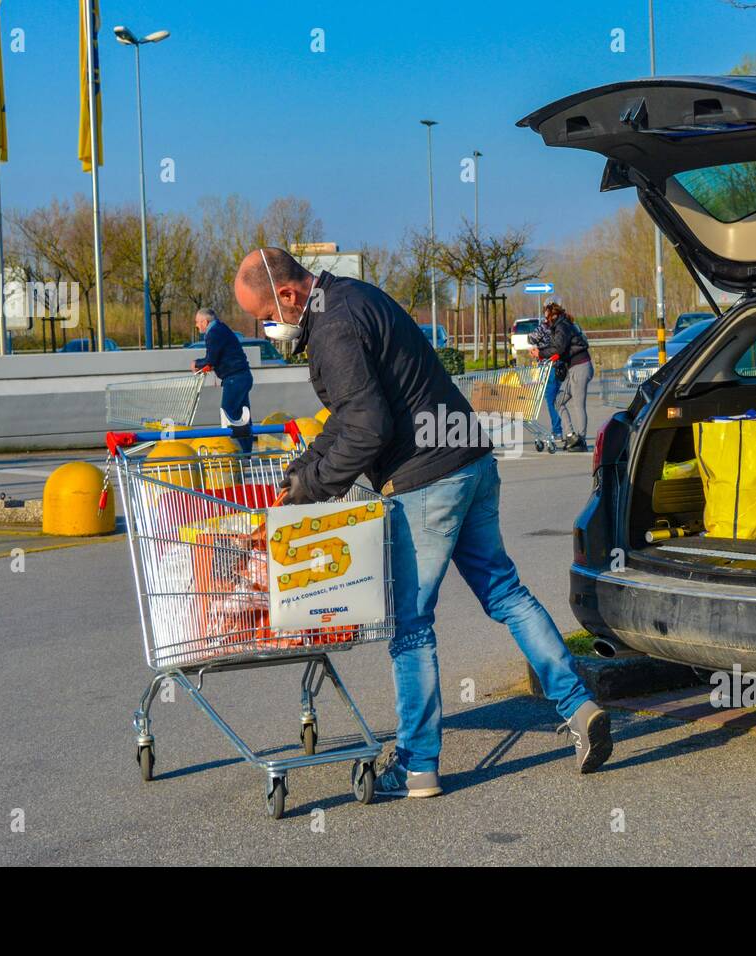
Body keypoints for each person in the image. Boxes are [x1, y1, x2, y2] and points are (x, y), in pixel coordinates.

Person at [233, 248, 613, 798]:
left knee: (410, 623)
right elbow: (349, 416)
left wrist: (310, 489)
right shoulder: (355, 298)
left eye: (264, 315)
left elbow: (366, 429)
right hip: (470, 462)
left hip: (425, 481)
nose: (266, 328)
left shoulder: (332, 327)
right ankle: (579, 706)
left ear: (289, 296)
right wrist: (304, 469)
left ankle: (416, 766)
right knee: (506, 592)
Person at [191, 308, 253, 452]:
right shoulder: (221, 329)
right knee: (242, 417)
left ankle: (232, 452)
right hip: (242, 376)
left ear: (205, 322)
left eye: (197, 322)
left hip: (234, 378)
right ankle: (246, 453)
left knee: (228, 414)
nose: (197, 325)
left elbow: (211, 359)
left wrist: (197, 364)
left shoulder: (213, 333)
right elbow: (219, 357)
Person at [544, 303, 593, 452]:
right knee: (558, 401)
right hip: (573, 368)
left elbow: (559, 348)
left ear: (554, 315)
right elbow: (559, 349)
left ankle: (581, 440)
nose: (546, 320)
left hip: (580, 366)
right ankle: (571, 434)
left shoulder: (562, 326)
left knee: (579, 404)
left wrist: (540, 353)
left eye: (547, 316)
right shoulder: (560, 326)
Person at [527, 309, 563, 443]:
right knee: (557, 399)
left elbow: (531, 338)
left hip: (549, 367)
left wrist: (538, 350)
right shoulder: (559, 327)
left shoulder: (544, 326)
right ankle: (561, 429)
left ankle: (558, 430)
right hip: (559, 366)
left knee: (551, 400)